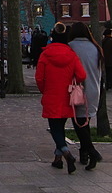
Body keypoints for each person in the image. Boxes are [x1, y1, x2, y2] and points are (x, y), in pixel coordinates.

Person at [35, 22, 86, 174]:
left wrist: (45, 89)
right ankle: (57, 159)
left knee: (55, 128)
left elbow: (39, 78)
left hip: (51, 94)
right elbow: (82, 75)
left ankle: (65, 153)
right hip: (67, 96)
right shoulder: (71, 54)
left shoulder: (45, 55)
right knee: (60, 126)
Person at [68, 22, 103, 170]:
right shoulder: (96, 47)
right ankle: (85, 153)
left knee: (78, 124)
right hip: (94, 89)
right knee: (85, 122)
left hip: (78, 90)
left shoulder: (70, 47)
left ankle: (91, 151)